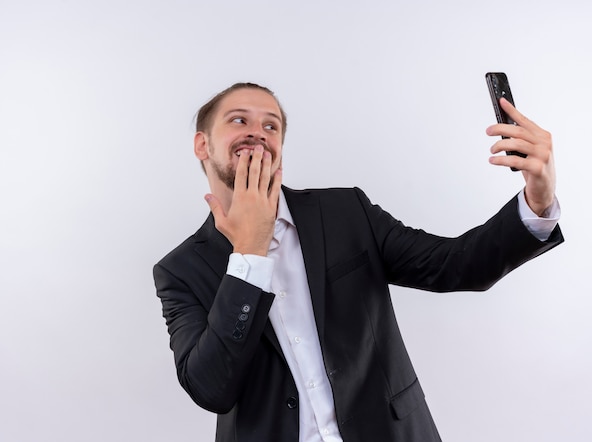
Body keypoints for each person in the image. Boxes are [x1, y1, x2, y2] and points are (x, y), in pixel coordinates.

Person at [153, 82, 563, 442]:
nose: (257, 134)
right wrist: (249, 254)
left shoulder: (345, 211)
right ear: (202, 144)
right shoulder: (180, 271)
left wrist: (538, 201)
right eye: (239, 120)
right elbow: (210, 388)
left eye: (271, 125)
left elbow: (456, 265)